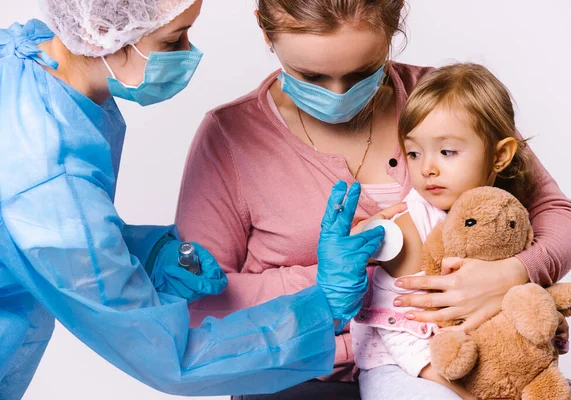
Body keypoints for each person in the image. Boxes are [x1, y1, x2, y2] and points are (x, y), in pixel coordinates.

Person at [176, 1, 571, 398]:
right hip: (304, 378)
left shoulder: (445, 100)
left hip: (464, 360)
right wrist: (339, 285)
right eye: (311, 76)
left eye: (362, 73)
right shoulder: (229, 137)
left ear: (393, 27)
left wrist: (514, 274)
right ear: (265, 31)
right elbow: (197, 300)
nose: (338, 95)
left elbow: (558, 214)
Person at [0, 0, 385, 398]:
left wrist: (149, 254)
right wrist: (322, 309)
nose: (188, 52)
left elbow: (27, 234)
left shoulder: (27, 60)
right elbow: (170, 356)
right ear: (98, 31)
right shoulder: (46, 175)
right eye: (172, 39)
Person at [353, 62, 539, 400]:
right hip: (403, 365)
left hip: (479, 360)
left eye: (447, 151)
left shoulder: (507, 217)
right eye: (413, 152)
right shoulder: (411, 226)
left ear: (500, 156)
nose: (427, 168)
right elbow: (403, 336)